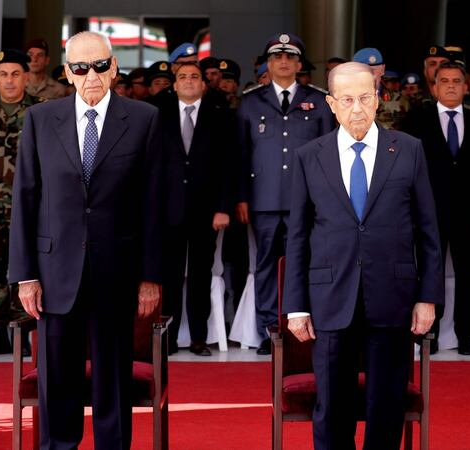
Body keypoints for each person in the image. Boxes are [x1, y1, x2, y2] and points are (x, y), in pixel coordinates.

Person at [9, 31, 164, 449]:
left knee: (113, 378)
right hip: (55, 271)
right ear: (67, 72)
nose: (90, 75)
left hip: (117, 270)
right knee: (57, 376)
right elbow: (25, 197)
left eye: (99, 65)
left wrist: (150, 276)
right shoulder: (41, 120)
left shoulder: (144, 118)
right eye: (80, 67)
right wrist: (25, 275)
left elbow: (154, 203)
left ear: (113, 68)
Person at [283, 61, 443, 450]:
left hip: (392, 296)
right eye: (348, 99)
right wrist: (296, 306)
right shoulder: (310, 155)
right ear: (332, 104)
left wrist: (428, 297)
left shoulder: (409, 150)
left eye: (365, 98)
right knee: (332, 406)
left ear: (378, 99)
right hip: (330, 298)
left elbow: (428, 231)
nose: (357, 108)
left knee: (386, 405)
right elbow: (298, 236)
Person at [236, 33, 334, 355]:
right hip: (263, 199)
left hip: (304, 200)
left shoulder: (318, 101)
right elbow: (240, 154)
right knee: (265, 264)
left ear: (299, 63)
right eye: (277, 56)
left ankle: (300, 327)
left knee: (303, 262)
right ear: (268, 62)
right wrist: (241, 197)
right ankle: (270, 329)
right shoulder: (250, 101)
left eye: (290, 56)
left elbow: (326, 155)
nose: (283, 61)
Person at [402, 61, 470, 355]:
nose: (451, 86)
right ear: (434, 87)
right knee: (430, 271)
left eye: (457, 81)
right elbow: (406, 169)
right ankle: (428, 336)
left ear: (466, 87)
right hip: (429, 212)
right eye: (445, 81)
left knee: (468, 273)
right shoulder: (416, 121)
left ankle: (466, 336)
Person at [159, 62, 233, 356]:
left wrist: (223, 208)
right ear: (174, 85)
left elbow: (229, 164)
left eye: (194, 77)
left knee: (201, 275)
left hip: (207, 211)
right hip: (169, 210)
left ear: (204, 84)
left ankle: (199, 338)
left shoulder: (220, 114)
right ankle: (169, 338)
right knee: (170, 276)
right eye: (182, 77)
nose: (188, 81)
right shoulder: (158, 115)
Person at [0, 49, 43, 339]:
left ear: (27, 77)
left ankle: (24, 337)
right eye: (4, 74)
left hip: (30, 210)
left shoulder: (43, 113)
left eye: (16, 74)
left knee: (27, 271)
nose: (9, 81)